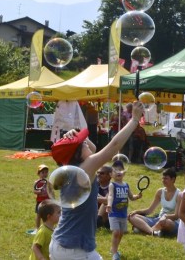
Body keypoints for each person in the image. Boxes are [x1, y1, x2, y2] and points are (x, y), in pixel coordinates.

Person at [49, 101, 144, 260]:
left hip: (62, 244)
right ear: (78, 154)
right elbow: (113, 146)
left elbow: (92, 149)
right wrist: (134, 120)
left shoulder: (74, 169)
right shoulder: (84, 169)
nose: (86, 143)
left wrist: (76, 134)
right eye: (82, 144)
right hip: (75, 250)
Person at [128, 167, 181, 237]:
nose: (163, 180)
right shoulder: (160, 192)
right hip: (158, 219)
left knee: (167, 222)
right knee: (132, 217)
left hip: (171, 222)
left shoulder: (179, 194)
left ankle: (145, 229)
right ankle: (153, 232)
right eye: (163, 178)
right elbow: (150, 210)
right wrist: (136, 211)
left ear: (173, 179)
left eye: (166, 178)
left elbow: (176, 216)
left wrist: (165, 216)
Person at [106, 160, 142, 259]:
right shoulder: (112, 185)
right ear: (111, 174)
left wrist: (137, 196)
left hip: (123, 214)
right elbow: (110, 196)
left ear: (124, 172)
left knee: (121, 233)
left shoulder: (126, 185)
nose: (118, 172)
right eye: (115, 170)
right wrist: (109, 205)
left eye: (120, 170)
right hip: (113, 213)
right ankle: (114, 253)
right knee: (116, 232)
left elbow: (131, 197)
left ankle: (114, 248)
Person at [33, 164, 54, 231]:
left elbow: (51, 190)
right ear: (38, 173)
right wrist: (38, 192)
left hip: (47, 202)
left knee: (47, 215)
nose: (45, 174)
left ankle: (48, 227)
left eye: (46, 172)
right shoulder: (37, 182)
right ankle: (37, 228)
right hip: (39, 202)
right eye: (42, 172)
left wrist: (52, 199)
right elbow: (34, 191)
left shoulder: (48, 182)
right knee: (38, 215)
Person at [96, 165, 112, 229]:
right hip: (95, 212)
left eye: (102, 173)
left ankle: (98, 221)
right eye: (98, 172)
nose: (98, 175)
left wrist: (92, 197)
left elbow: (107, 200)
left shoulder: (112, 187)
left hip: (108, 217)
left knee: (105, 203)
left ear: (109, 176)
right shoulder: (94, 185)